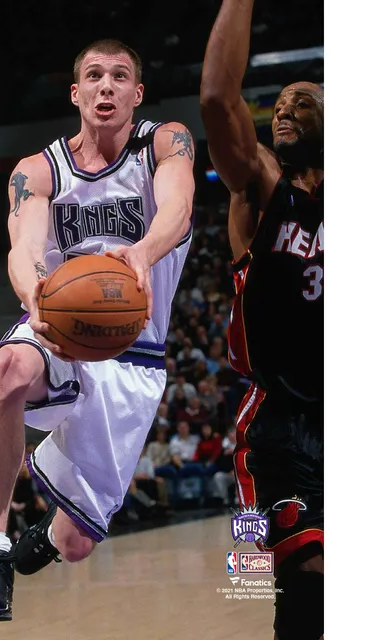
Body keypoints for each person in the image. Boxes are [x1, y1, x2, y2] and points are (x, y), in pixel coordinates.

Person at [0, 38, 195, 621]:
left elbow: (177, 208)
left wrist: (143, 251)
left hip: (133, 353)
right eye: (93, 75)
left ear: (137, 94)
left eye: (119, 76)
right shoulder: (39, 170)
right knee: (9, 369)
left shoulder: (165, 142)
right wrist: (33, 290)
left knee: (77, 544)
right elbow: (24, 246)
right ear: (76, 92)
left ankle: (46, 537)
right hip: (59, 325)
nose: (105, 85)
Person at [200, 3, 324, 639]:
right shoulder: (263, 187)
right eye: (277, 102)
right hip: (281, 424)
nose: (283, 109)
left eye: (301, 102)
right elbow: (220, 102)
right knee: (315, 570)